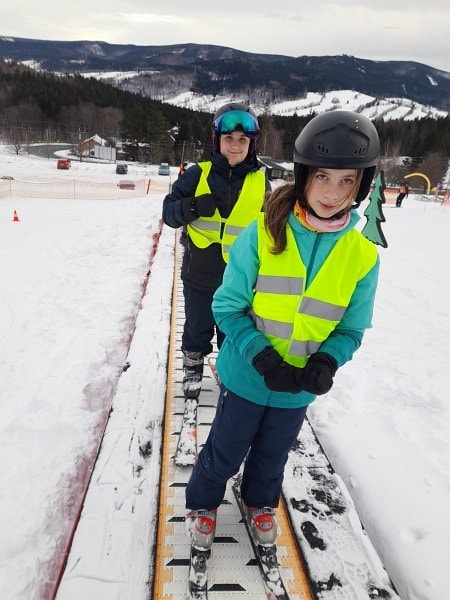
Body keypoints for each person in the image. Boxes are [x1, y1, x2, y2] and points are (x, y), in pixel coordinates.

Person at [185, 111, 381, 550]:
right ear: (305, 174)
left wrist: (327, 361)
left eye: (347, 181)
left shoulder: (363, 256)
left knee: (273, 455)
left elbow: (351, 330)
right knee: (226, 450)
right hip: (247, 375)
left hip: (297, 387)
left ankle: (259, 501)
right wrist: (261, 355)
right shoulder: (263, 233)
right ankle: (202, 502)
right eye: (323, 176)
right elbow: (227, 306)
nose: (332, 192)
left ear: (361, 186)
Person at [162, 103, 270, 399]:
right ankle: (192, 368)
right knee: (197, 328)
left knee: (231, 332)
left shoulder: (260, 181)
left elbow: (272, 227)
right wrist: (195, 206)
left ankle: (227, 368)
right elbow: (169, 213)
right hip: (199, 274)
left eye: (242, 140)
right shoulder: (198, 174)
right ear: (217, 140)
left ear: (251, 144)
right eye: (229, 138)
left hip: (239, 281)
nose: (235, 145)